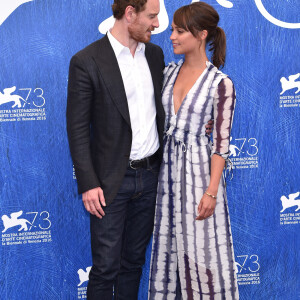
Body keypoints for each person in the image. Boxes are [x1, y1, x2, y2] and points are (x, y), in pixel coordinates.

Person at [66, 0, 165, 299]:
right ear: (130, 13)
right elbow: (78, 127)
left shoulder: (156, 55)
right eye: (152, 16)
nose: (157, 25)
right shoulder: (87, 60)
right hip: (110, 182)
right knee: (106, 267)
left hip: (150, 177)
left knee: (133, 263)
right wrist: (88, 182)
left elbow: (167, 108)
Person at [149, 2, 239, 299]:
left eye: (179, 31)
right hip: (168, 176)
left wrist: (212, 191)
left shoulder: (220, 84)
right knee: (169, 252)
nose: (171, 36)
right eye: (172, 29)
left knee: (203, 256)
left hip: (200, 178)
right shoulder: (167, 73)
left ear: (201, 34)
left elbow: (221, 145)